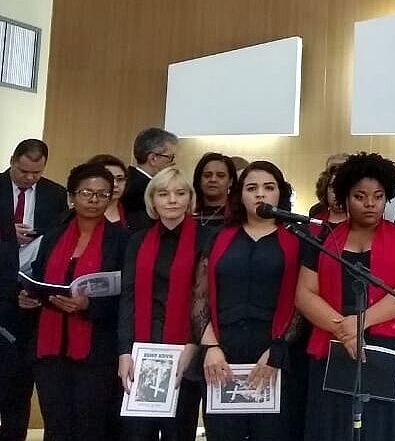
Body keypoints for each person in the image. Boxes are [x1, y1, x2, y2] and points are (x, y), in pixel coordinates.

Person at [296, 153, 395, 441]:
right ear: (345, 198)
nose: (370, 203)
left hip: (391, 342)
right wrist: (343, 330)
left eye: (378, 196)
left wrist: (360, 322)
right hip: (335, 340)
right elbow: (305, 294)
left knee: (388, 424)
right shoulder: (323, 239)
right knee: (338, 422)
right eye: (360, 196)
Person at [192, 161, 305, 441]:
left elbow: (302, 301)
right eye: (251, 188)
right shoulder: (218, 237)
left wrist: (277, 349)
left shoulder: (297, 239)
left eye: (269, 187)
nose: (260, 194)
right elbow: (200, 296)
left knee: (273, 433)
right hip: (222, 352)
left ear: (280, 193)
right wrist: (210, 347)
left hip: (276, 351)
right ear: (239, 194)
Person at [20, 162, 129, 441]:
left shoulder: (122, 240)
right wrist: (29, 297)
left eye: (102, 194)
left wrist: (89, 306)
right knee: (56, 426)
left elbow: (127, 297)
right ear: (72, 196)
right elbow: (40, 278)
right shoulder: (54, 235)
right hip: (49, 349)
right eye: (86, 193)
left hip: (96, 351)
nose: (94, 200)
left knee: (90, 427)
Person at [118, 167, 206, 441]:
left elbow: (206, 299)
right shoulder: (138, 240)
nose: (172, 200)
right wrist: (124, 351)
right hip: (143, 348)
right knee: (137, 433)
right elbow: (128, 297)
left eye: (180, 193)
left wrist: (193, 345)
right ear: (152, 200)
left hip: (187, 348)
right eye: (164, 193)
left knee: (178, 432)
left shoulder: (208, 238)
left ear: (189, 199)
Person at [0, 139, 68, 440]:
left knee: (19, 386)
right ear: (12, 161)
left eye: (36, 173)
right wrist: (7, 232)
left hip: (30, 297)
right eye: (23, 171)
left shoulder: (55, 194)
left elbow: (57, 242)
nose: (29, 178)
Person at [123, 128, 179, 215]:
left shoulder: (128, 180)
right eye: (170, 157)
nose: (173, 162)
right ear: (153, 158)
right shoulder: (143, 190)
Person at [88, 154, 148, 231]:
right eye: (108, 178)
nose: (115, 184)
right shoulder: (76, 216)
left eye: (120, 179)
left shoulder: (139, 219)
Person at [193, 152, 237, 228]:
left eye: (220, 176)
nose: (213, 179)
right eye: (207, 175)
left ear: (230, 182)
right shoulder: (186, 215)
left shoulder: (239, 217)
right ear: (199, 181)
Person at [308, 153, 349, 218]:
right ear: (325, 189)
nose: (338, 193)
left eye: (344, 187)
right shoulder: (315, 218)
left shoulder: (362, 221)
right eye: (333, 187)